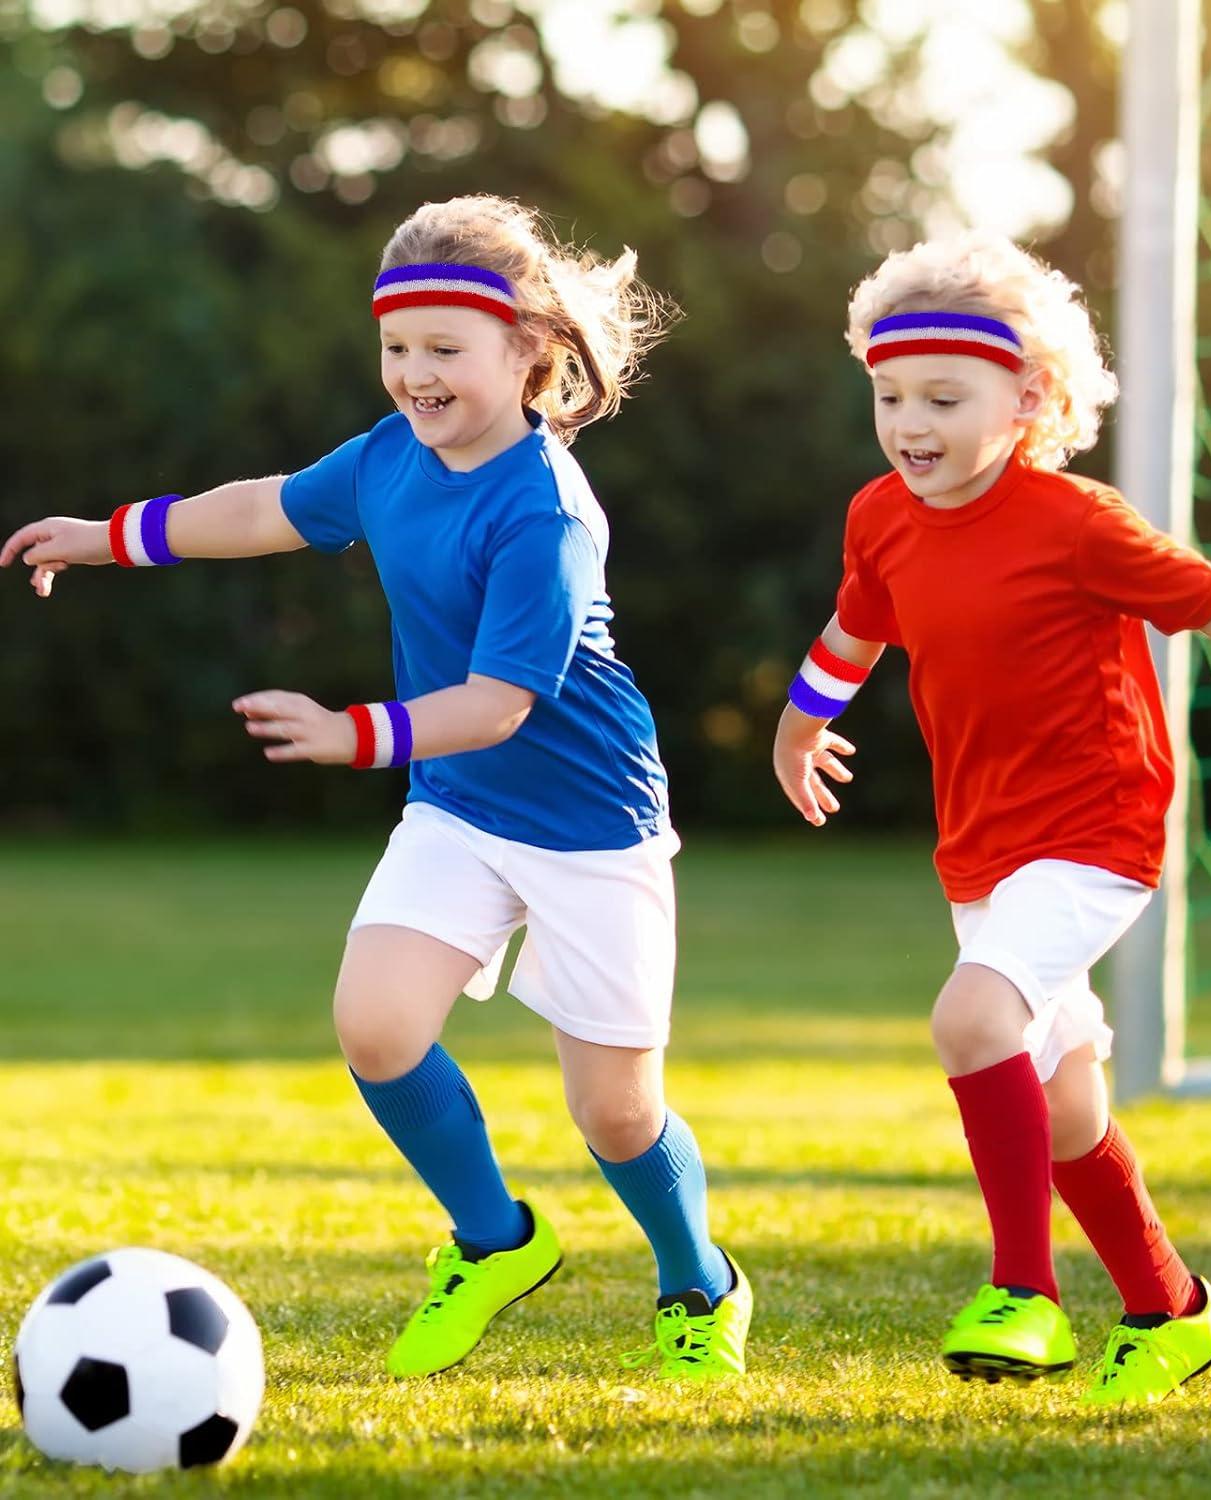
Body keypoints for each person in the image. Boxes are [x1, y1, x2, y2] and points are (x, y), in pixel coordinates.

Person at [3, 194, 752, 1383]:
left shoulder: (546, 512)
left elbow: (499, 704)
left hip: (590, 825)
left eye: (444, 348)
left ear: (527, 349)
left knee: (615, 1115)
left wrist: (353, 734)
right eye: (397, 347)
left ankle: (698, 1283)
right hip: (460, 806)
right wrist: (108, 537)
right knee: (377, 1025)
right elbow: (265, 507)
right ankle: (497, 1240)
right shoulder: (390, 457)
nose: (414, 374)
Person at [771, 233, 1211, 1408]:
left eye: (944, 398)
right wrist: (800, 726)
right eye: (890, 396)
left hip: (1096, 831)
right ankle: (1174, 1310)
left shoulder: (1077, 523)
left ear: (1028, 399)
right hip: (981, 849)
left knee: (971, 1019)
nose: (911, 423)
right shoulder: (881, 516)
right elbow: (857, 628)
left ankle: (1023, 1294)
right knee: (1063, 1108)